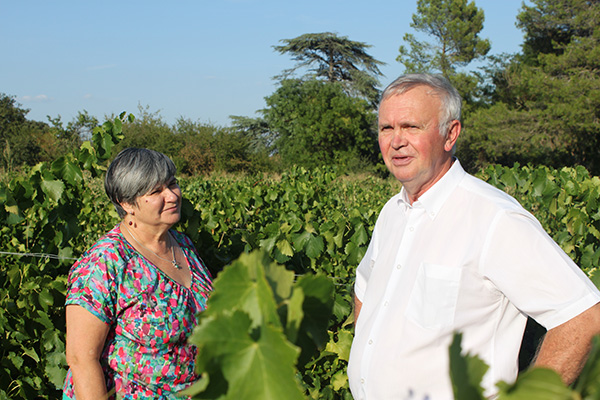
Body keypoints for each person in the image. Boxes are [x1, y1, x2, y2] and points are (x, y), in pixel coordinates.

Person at [347, 73, 600, 399]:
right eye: (386, 128)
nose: (396, 141)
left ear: (450, 134)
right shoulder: (392, 212)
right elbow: (365, 290)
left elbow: (583, 318)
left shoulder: (495, 219)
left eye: (411, 127)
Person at [63, 148, 213, 400]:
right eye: (156, 191)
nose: (172, 195)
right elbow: (81, 358)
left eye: (172, 183)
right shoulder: (105, 262)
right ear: (126, 203)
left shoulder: (182, 244)